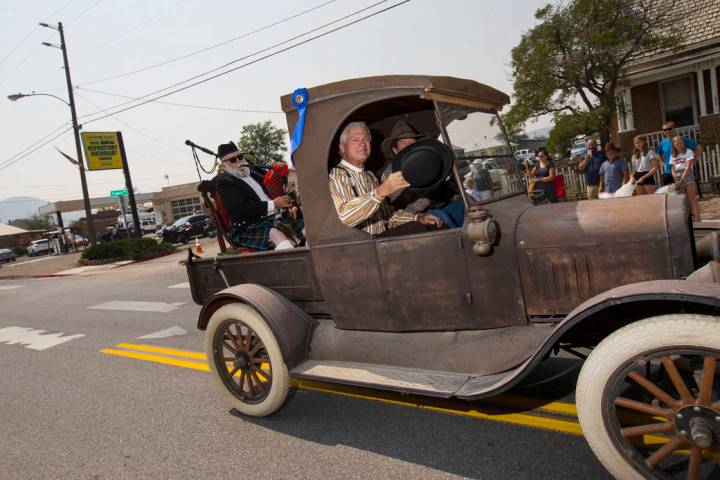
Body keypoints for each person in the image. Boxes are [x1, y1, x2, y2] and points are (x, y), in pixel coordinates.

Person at [328, 121, 441, 236]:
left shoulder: (370, 176)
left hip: (382, 241)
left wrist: (418, 218)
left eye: (366, 139)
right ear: (342, 147)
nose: (362, 143)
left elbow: (389, 217)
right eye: (355, 140)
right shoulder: (338, 175)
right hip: (362, 246)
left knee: (433, 225)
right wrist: (381, 192)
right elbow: (344, 217)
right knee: (414, 229)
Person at [215, 141, 304, 251]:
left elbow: (273, 185)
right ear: (224, 164)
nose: (239, 161)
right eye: (233, 160)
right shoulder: (224, 182)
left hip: (275, 218)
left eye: (240, 157)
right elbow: (239, 208)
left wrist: (285, 188)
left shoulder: (254, 171)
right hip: (247, 226)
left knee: (308, 228)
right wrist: (273, 204)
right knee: (276, 234)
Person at [379, 120, 464, 228]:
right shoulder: (390, 173)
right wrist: (429, 191)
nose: (409, 144)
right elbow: (401, 205)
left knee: (463, 205)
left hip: (434, 208)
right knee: (441, 216)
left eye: (412, 141)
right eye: (404, 142)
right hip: (410, 218)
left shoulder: (426, 163)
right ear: (395, 150)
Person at [657, 122, 702, 186]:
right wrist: (664, 164)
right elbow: (659, 154)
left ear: (674, 129)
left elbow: (699, 149)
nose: (667, 131)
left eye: (669, 129)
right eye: (665, 130)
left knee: (686, 194)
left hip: (684, 172)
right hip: (669, 172)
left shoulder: (682, 139)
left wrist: (694, 161)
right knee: (670, 194)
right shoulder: (662, 143)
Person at [670, 136, 701, 220]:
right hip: (678, 175)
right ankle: (685, 220)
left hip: (687, 174)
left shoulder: (688, 151)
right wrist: (675, 176)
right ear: (673, 145)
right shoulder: (673, 155)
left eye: (680, 143)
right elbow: (672, 169)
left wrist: (682, 178)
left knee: (691, 197)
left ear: (683, 143)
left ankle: (697, 219)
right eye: (676, 143)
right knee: (681, 199)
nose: (678, 145)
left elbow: (688, 166)